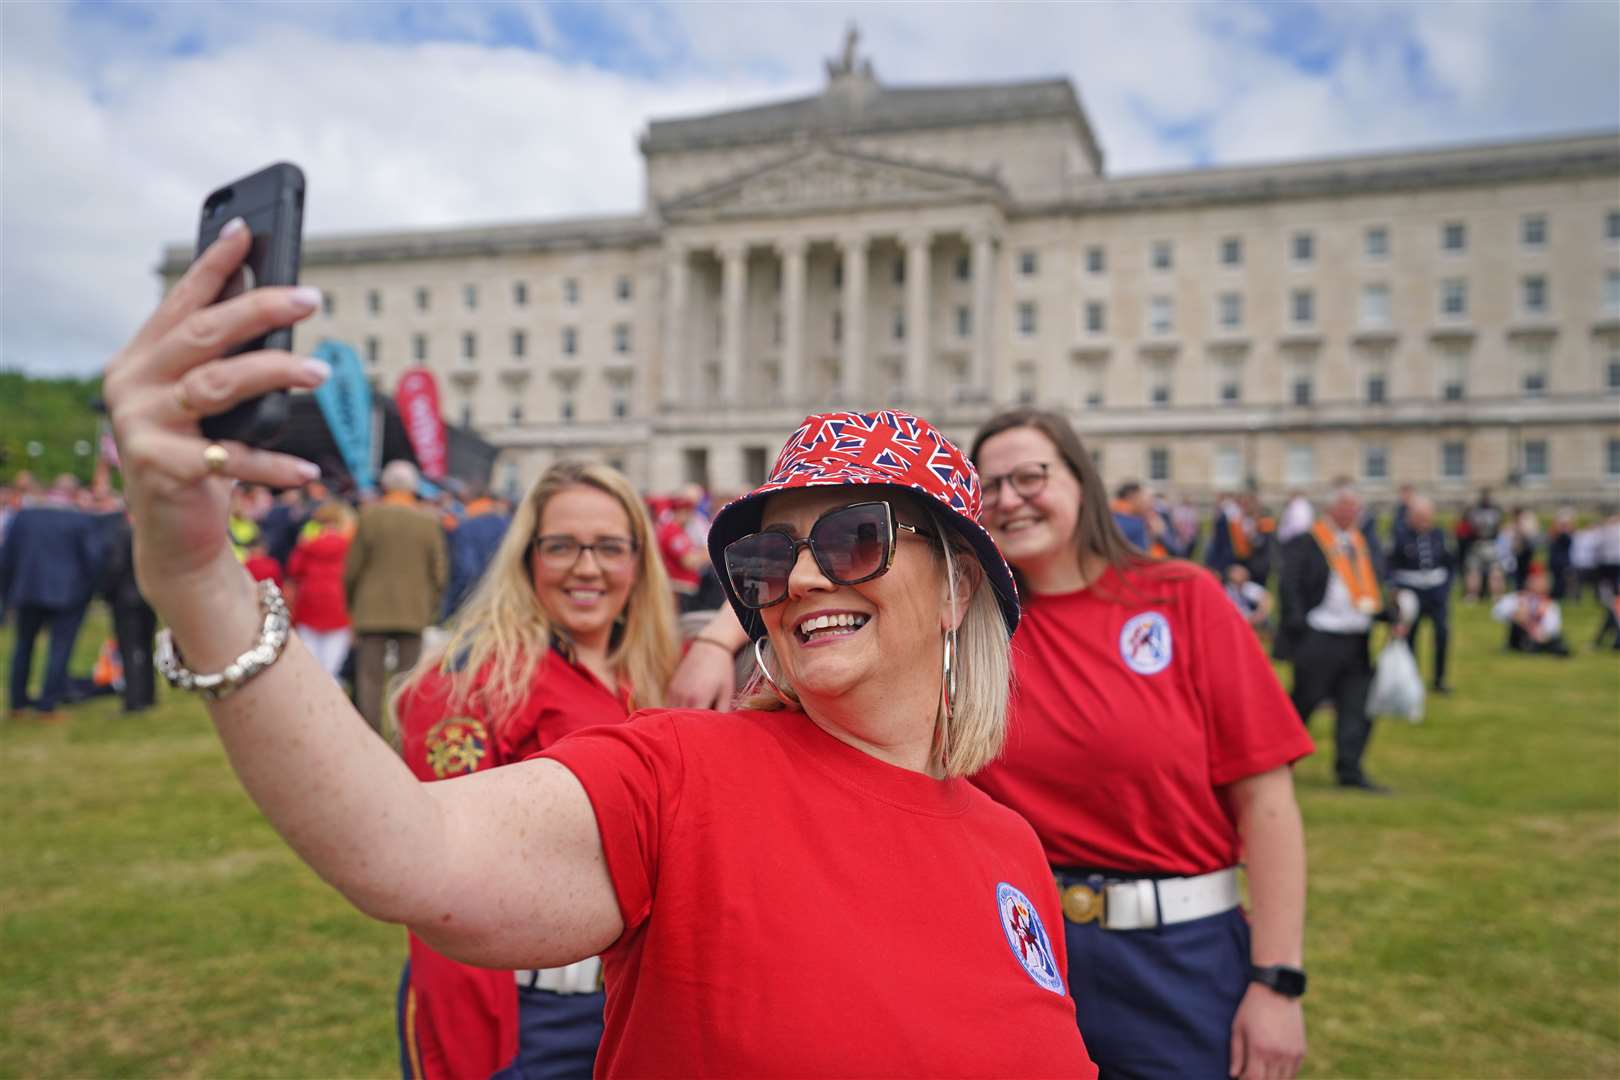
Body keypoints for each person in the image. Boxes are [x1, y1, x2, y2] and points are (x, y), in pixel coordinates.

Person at [102, 234, 1094, 1078]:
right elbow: (410, 849)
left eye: (851, 539)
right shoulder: (682, 771)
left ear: (959, 583)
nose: (798, 581)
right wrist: (201, 581)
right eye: (764, 555)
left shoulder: (1012, 849)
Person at [968, 409, 1311, 1080]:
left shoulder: (1182, 598)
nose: (1008, 499)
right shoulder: (968, 629)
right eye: (989, 487)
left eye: (1030, 476)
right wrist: (720, 639)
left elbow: (1267, 801)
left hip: (1179, 957)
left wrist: (1277, 983)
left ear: (1081, 481)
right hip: (1015, 955)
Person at [393, 460, 679, 1080]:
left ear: (638, 561)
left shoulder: (652, 675)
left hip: (630, 998)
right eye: (562, 547)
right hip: (524, 1012)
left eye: (608, 547)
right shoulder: (469, 685)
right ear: (528, 557)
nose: (586, 567)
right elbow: (440, 881)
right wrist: (473, 1056)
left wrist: (716, 643)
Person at [1276, 482, 1398, 793]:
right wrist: (1299, 625)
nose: (1352, 512)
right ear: (1332, 509)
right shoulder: (1308, 541)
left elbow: (1372, 587)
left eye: (1356, 507)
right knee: (1303, 703)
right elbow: (1289, 585)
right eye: (1347, 506)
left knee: (1356, 706)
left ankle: (1350, 770)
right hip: (1320, 634)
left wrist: (1390, 614)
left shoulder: (1362, 543)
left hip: (1356, 637)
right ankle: (1275, 763)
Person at [344, 459, 448, 731]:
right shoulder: (428, 521)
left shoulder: (369, 517)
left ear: (386, 485)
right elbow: (438, 571)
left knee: (369, 678)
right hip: (413, 609)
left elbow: (353, 568)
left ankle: (370, 735)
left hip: (371, 608)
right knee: (407, 678)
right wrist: (431, 606)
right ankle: (405, 733)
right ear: (414, 487)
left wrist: (352, 604)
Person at [0, 475, 104, 721]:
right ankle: (47, 705)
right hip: (68, 595)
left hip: (28, 592)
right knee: (60, 648)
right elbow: (94, 561)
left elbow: (6, 559)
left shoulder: (24, 517)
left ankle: (17, 702)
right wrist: (89, 591)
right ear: (74, 494)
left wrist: (8, 592)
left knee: (23, 646)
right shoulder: (80, 520)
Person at [1387, 495, 1455, 694]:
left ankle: (1439, 679)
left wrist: (1446, 587)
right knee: (1410, 636)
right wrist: (1395, 589)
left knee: (1442, 633)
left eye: (1427, 516)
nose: (1424, 521)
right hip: (1410, 591)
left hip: (1436, 592)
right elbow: (1390, 565)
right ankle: (1411, 679)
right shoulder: (1399, 535)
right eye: (1420, 516)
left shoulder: (1440, 535)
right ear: (1410, 517)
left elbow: (1450, 563)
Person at [285, 500, 354, 682]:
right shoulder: (348, 545)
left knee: (311, 664)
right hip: (338, 606)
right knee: (332, 667)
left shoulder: (308, 544)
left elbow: (294, 570)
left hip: (309, 605)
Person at [98, 508, 159, 713]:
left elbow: (115, 566)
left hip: (126, 599)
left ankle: (134, 699)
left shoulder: (124, 533)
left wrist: (106, 593)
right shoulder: (152, 534)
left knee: (129, 649)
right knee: (146, 647)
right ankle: (149, 694)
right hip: (148, 596)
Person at [440, 482, 511, 621]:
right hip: (502, 604)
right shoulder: (508, 525)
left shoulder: (465, 527)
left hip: (471, 603)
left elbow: (465, 570)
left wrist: (449, 609)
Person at [1493, 568, 1570, 656]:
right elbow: (1497, 612)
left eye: (1541, 581)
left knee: (1555, 639)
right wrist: (1515, 614)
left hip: (1540, 634)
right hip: (1521, 633)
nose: (1539, 584)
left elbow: (1554, 625)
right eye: (1536, 581)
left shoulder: (1549, 603)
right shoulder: (1518, 597)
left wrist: (1541, 632)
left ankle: (1550, 647)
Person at [1224, 561, 1275, 636]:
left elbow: (1266, 598)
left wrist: (1259, 615)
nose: (1242, 574)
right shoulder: (1226, 590)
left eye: (1242, 572)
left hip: (1252, 619)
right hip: (1235, 621)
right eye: (1238, 573)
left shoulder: (1248, 587)